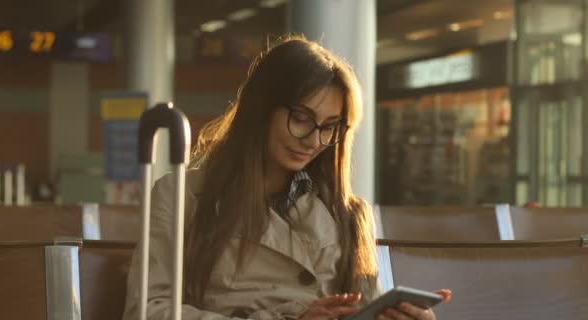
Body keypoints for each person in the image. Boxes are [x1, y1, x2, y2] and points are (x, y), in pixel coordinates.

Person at [123, 35, 451, 320]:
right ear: (261, 109)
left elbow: (364, 309)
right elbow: (147, 311)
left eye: (329, 127)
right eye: (301, 118)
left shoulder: (347, 213)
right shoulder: (184, 196)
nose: (313, 140)